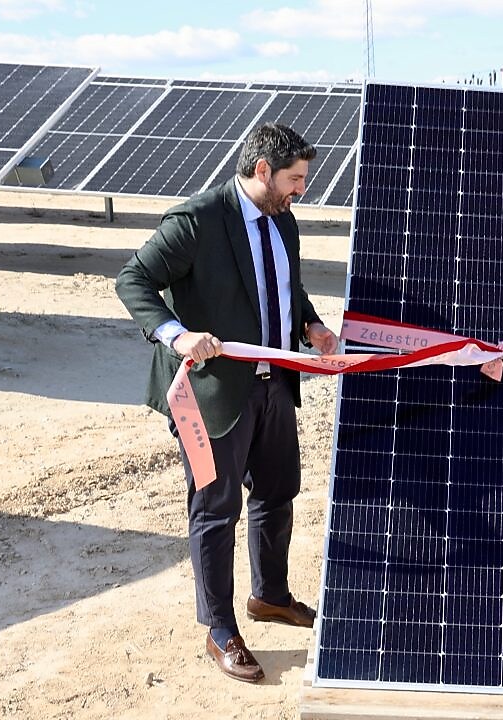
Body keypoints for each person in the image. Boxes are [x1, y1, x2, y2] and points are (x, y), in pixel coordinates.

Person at [116, 123, 339, 684]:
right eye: (294, 179)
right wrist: (175, 333)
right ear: (262, 171)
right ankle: (220, 630)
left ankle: (270, 596)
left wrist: (310, 324)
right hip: (211, 392)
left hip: (273, 384)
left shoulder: (283, 220)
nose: (300, 190)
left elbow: (284, 289)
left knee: (277, 493)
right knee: (216, 510)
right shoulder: (197, 221)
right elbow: (133, 279)